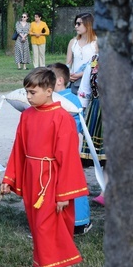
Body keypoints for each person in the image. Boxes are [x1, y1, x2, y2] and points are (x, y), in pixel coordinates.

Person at [0, 68, 88, 267]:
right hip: (33, 181)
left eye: (32, 92)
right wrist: (9, 178)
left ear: (49, 90)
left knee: (44, 229)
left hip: (52, 182)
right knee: (48, 229)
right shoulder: (28, 116)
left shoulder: (62, 118)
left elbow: (68, 159)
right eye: (26, 93)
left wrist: (64, 194)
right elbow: (19, 149)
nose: (28, 97)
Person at [48, 63, 92, 235]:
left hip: (67, 151)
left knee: (73, 183)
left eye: (47, 78)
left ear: (58, 81)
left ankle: (80, 221)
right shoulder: (58, 98)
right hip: (56, 151)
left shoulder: (69, 100)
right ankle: (61, 220)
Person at [65, 12, 97, 95]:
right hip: (74, 83)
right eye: (75, 24)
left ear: (88, 24)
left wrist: (81, 74)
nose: (76, 26)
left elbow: (96, 65)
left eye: (79, 24)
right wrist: (68, 74)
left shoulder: (96, 44)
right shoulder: (73, 42)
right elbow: (68, 64)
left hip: (89, 83)